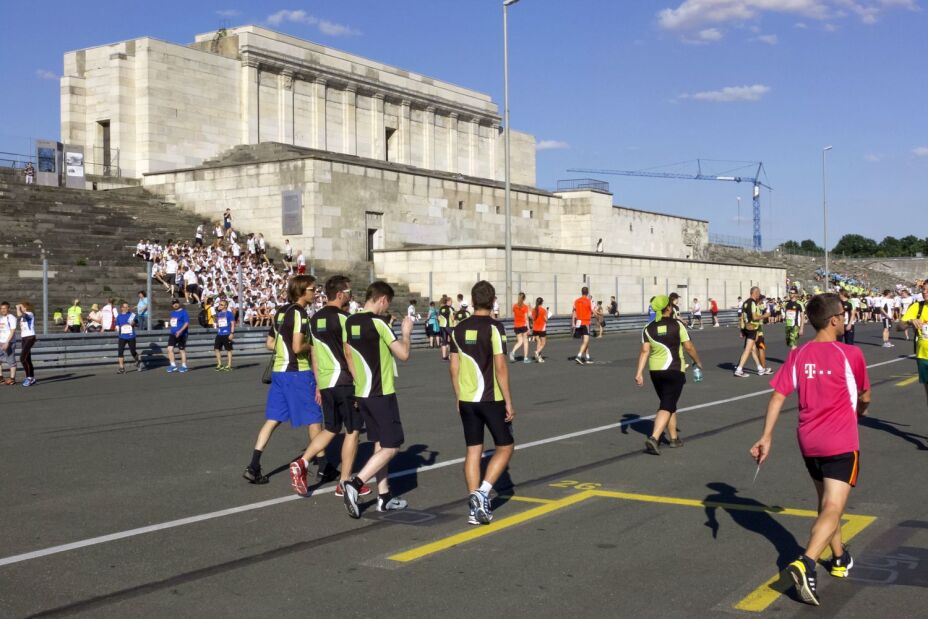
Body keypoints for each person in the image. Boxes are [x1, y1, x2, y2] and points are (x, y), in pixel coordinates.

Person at [750, 293, 871, 606]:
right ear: (833, 321)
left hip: (809, 441)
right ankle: (806, 563)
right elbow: (865, 395)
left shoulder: (799, 354)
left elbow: (777, 396)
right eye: (843, 314)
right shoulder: (851, 354)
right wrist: (860, 410)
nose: (845, 319)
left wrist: (766, 436)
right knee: (834, 507)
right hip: (841, 441)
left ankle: (840, 557)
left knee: (826, 502)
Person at [289, 276, 372, 498]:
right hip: (344, 380)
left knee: (331, 428)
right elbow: (349, 353)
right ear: (340, 294)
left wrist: (318, 383)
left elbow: (314, 353)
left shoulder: (314, 319)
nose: (351, 295)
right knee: (353, 430)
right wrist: (359, 382)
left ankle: (303, 462)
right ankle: (344, 481)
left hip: (325, 382)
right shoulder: (346, 319)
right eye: (349, 292)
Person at [341, 281, 414, 518]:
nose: (386, 309)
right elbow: (403, 355)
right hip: (381, 393)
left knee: (379, 444)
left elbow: (348, 354)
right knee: (392, 446)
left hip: (362, 392)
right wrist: (406, 334)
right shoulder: (379, 323)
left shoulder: (350, 321)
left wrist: (358, 381)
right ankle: (355, 483)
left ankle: (384, 496)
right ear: (382, 299)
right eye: (387, 304)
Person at [243, 275, 323, 485]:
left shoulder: (281, 311)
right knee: (314, 418)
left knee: (273, 419)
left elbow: (270, 342)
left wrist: (284, 349)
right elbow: (298, 347)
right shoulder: (300, 313)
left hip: (279, 371)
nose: (315, 293)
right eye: (313, 290)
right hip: (297, 372)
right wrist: (314, 346)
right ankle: (325, 467)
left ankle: (254, 465)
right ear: (302, 291)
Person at [449, 280, 515, 525]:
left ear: (473, 300)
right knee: (506, 446)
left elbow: (453, 367)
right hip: (490, 397)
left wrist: (457, 396)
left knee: (473, 450)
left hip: (467, 399)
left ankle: (474, 507)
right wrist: (508, 400)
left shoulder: (458, 328)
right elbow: (500, 366)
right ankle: (483, 492)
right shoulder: (495, 328)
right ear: (493, 300)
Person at [635, 295, 703, 455]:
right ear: (668, 308)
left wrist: (639, 373)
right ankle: (654, 437)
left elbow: (645, 351)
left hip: (655, 371)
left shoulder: (648, 328)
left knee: (668, 401)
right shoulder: (677, 325)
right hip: (673, 369)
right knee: (666, 404)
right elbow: (688, 346)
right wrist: (698, 361)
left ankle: (673, 438)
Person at [901, 280, 928, 408]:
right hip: (923, 356)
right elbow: (899, 326)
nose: (924, 292)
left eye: (927, 290)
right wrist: (911, 321)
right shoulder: (917, 307)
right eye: (923, 290)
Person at [734, 287, 770, 378]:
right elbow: (754, 317)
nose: (759, 295)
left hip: (747, 327)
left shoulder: (745, 302)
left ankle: (760, 368)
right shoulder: (753, 303)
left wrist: (742, 329)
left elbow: (742, 317)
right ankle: (739, 369)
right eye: (758, 293)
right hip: (753, 328)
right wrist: (765, 315)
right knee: (748, 349)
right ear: (755, 293)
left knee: (753, 349)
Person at [115, 302, 143, 373]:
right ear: (122, 308)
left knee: (133, 351)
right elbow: (117, 325)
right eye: (125, 307)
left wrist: (134, 323)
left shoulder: (132, 315)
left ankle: (138, 361)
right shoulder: (119, 316)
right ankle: (121, 368)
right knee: (120, 352)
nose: (127, 308)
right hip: (122, 336)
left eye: (128, 307)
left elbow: (137, 323)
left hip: (131, 336)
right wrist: (117, 328)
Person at [166, 298, 190, 373]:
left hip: (182, 334)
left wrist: (180, 331)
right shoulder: (172, 313)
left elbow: (186, 323)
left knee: (182, 350)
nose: (175, 305)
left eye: (176, 303)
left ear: (179, 303)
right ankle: (173, 365)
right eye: (173, 304)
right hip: (173, 334)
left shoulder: (184, 312)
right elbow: (173, 323)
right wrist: (168, 324)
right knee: (169, 349)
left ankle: (184, 366)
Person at [16, 302, 37, 386]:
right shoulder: (22, 315)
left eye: (23, 306)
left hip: (30, 337)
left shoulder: (30, 313)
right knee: (27, 359)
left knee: (22, 359)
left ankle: (29, 378)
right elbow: (19, 315)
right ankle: (31, 377)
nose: (21, 308)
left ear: (26, 307)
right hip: (24, 338)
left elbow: (23, 315)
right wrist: (19, 308)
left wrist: (18, 307)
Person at [572, 286, 593, 365]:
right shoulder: (588, 301)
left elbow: (574, 312)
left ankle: (587, 356)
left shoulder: (576, 301)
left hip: (578, 322)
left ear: (582, 292)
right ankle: (579, 356)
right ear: (587, 293)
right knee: (586, 340)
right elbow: (592, 311)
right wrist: (598, 318)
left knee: (585, 340)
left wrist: (573, 322)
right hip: (585, 322)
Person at [213, 299, 236, 371]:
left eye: (221, 305)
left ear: (225, 306)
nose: (219, 306)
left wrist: (232, 333)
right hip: (219, 334)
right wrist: (215, 323)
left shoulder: (229, 313)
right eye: (219, 304)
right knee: (216, 349)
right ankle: (220, 364)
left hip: (227, 334)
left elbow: (232, 324)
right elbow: (219, 324)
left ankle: (229, 365)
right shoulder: (219, 314)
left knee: (228, 350)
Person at [0, 302, 18, 385]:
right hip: (1, 341)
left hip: (9, 342)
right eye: (1, 308)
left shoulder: (11, 318)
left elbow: (12, 331)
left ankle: (12, 379)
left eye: (4, 308)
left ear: (8, 309)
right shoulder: (1, 318)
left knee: (11, 360)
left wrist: (7, 342)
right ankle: (1, 378)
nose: (2, 310)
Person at [510, 292, 530, 363]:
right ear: (524, 298)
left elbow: (514, 315)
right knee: (525, 342)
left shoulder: (514, 306)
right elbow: (526, 318)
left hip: (516, 325)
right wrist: (528, 328)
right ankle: (525, 358)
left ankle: (513, 352)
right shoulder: (525, 307)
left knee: (520, 341)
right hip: (523, 325)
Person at [531, 297, 548, 363]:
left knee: (538, 342)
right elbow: (546, 320)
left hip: (535, 328)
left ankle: (539, 357)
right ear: (542, 302)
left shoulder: (533, 310)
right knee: (543, 343)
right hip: (541, 328)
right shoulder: (543, 310)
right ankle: (537, 352)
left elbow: (532, 318)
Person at [438, 295, 454, 361]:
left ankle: (444, 357)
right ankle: (450, 356)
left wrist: (442, 322)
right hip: (449, 326)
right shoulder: (450, 309)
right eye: (451, 301)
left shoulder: (441, 308)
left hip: (442, 326)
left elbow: (438, 318)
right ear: (448, 302)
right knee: (452, 341)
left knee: (444, 341)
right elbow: (452, 318)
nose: (452, 302)